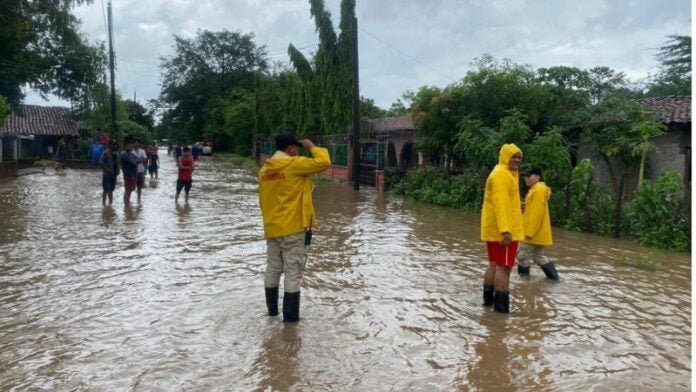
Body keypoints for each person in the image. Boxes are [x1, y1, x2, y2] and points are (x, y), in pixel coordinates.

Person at [258, 134, 331, 323]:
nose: (297, 152)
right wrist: (311, 145)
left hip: (272, 228)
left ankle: (272, 314)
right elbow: (324, 162)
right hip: (293, 228)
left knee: (273, 268)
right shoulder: (294, 164)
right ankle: (290, 324)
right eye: (296, 149)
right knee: (293, 273)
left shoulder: (264, 170)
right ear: (291, 149)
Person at [481, 143, 524, 313]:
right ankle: (501, 312)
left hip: (495, 229)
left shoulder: (506, 173)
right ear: (504, 156)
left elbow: (505, 200)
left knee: (493, 264)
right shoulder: (501, 175)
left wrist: (517, 205)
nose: (516, 160)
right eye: (513, 156)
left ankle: (488, 303)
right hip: (504, 231)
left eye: (519, 157)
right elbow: (500, 204)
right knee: (504, 268)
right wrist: (505, 230)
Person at [517, 166, 560, 280]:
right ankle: (554, 280)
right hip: (538, 232)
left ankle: (523, 284)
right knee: (538, 257)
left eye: (529, 176)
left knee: (522, 257)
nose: (526, 178)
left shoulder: (538, 190)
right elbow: (535, 209)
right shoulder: (536, 189)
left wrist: (530, 233)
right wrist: (525, 207)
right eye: (525, 176)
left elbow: (537, 214)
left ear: (537, 177)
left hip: (532, 232)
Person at [99, 140, 120, 206]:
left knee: (111, 190)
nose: (115, 146)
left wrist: (118, 171)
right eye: (113, 144)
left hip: (114, 175)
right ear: (109, 145)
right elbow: (101, 162)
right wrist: (107, 169)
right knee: (105, 190)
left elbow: (118, 164)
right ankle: (103, 204)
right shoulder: (105, 153)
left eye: (115, 144)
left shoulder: (116, 153)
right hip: (107, 175)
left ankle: (110, 204)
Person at [121, 140, 138, 204]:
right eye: (129, 146)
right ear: (126, 146)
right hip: (128, 175)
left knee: (130, 190)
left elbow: (137, 159)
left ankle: (127, 203)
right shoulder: (124, 154)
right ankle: (126, 203)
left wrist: (137, 161)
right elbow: (133, 163)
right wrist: (137, 161)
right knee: (127, 190)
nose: (131, 147)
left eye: (131, 146)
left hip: (132, 175)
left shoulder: (131, 154)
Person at [131, 139, 148, 203]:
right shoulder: (131, 151)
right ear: (133, 144)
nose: (137, 144)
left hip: (141, 170)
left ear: (139, 144)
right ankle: (129, 201)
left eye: (138, 143)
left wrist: (138, 160)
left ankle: (138, 200)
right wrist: (141, 159)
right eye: (135, 143)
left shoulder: (142, 151)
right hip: (133, 171)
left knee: (140, 187)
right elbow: (132, 162)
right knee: (131, 187)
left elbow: (146, 159)